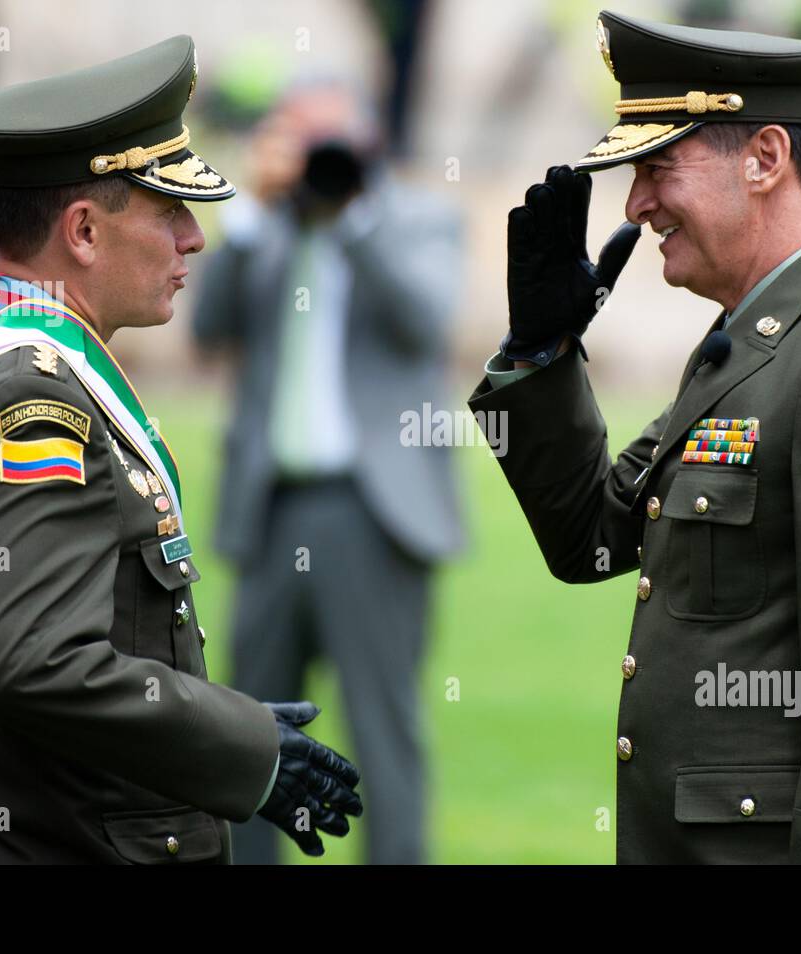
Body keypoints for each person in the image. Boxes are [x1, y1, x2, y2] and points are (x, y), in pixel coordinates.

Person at [468, 11, 801, 864]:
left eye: (658, 167)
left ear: (767, 158)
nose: (636, 204)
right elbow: (588, 538)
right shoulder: (755, 344)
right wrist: (541, 355)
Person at [0, 35, 361, 864]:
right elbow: (35, 661)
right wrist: (246, 748)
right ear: (84, 232)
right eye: (168, 209)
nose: (193, 238)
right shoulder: (34, 399)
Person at [193, 79, 464, 864]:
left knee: (384, 727)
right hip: (273, 507)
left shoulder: (414, 219)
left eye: (331, 143)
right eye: (301, 141)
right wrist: (247, 209)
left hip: (376, 515)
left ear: (369, 141)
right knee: (246, 730)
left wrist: (352, 218)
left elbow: (427, 321)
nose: (320, 159)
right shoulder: (268, 230)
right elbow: (208, 328)